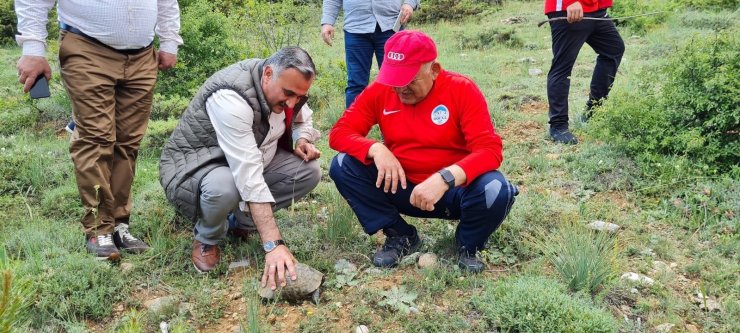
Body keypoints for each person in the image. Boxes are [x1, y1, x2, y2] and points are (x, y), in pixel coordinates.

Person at [328, 30, 518, 273]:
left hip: (452, 193)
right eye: (395, 80)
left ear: (434, 70)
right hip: (401, 186)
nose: (400, 89)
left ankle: (467, 245)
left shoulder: (461, 89)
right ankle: (400, 235)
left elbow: (489, 150)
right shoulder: (381, 90)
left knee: (496, 188)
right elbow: (340, 133)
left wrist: (445, 178)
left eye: (409, 81)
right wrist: (375, 148)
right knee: (343, 165)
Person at [15, 0, 183, 260]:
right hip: (87, 47)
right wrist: (33, 49)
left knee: (128, 143)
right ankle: (97, 228)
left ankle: (118, 224)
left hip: (142, 55)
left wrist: (170, 41)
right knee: (96, 139)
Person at [159, 47, 321, 290]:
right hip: (197, 167)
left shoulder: (287, 87)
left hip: (251, 160)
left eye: (299, 96)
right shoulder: (232, 98)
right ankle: (207, 237)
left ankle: (241, 223)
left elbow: (301, 117)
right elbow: (248, 174)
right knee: (226, 187)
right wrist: (273, 244)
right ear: (267, 74)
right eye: (288, 94)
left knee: (308, 171)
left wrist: (302, 139)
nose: (291, 103)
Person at [544, 0, 625, 144]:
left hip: (595, 8)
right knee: (562, 66)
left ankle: (592, 112)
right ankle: (558, 126)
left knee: (613, 49)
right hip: (569, 8)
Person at [321, 0, 419, 108]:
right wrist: (327, 22)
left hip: (391, 25)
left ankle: (397, 124)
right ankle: (355, 124)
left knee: (397, 81)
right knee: (356, 85)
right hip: (355, 28)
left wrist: (409, 3)